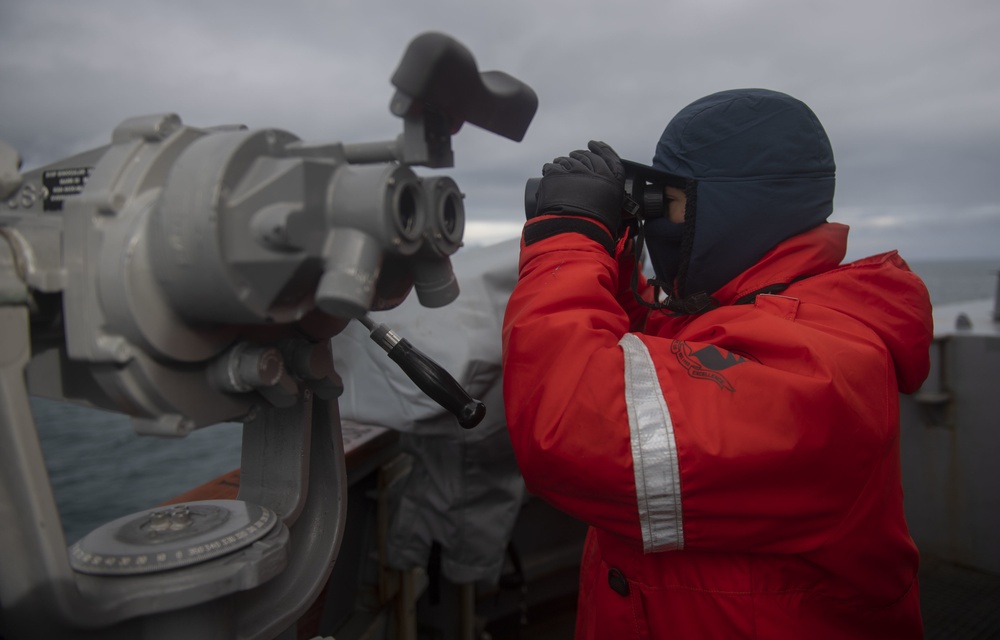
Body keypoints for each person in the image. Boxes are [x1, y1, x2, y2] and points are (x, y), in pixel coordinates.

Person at [501, 88, 933, 639]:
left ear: (734, 209)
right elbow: (661, 363)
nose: (662, 221)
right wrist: (614, 250)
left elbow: (570, 431)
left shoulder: (823, 363)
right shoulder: (745, 319)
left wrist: (566, 243)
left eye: (672, 199)